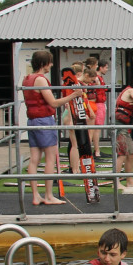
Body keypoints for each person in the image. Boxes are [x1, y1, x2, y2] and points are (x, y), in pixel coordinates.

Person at [22, 49, 83, 206]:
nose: (51, 65)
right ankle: (48, 195)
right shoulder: (40, 80)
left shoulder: (27, 78)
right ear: (43, 64)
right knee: (50, 157)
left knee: (34, 158)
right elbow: (53, 103)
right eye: (49, 62)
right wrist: (73, 95)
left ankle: (36, 195)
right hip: (43, 121)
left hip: (33, 121)